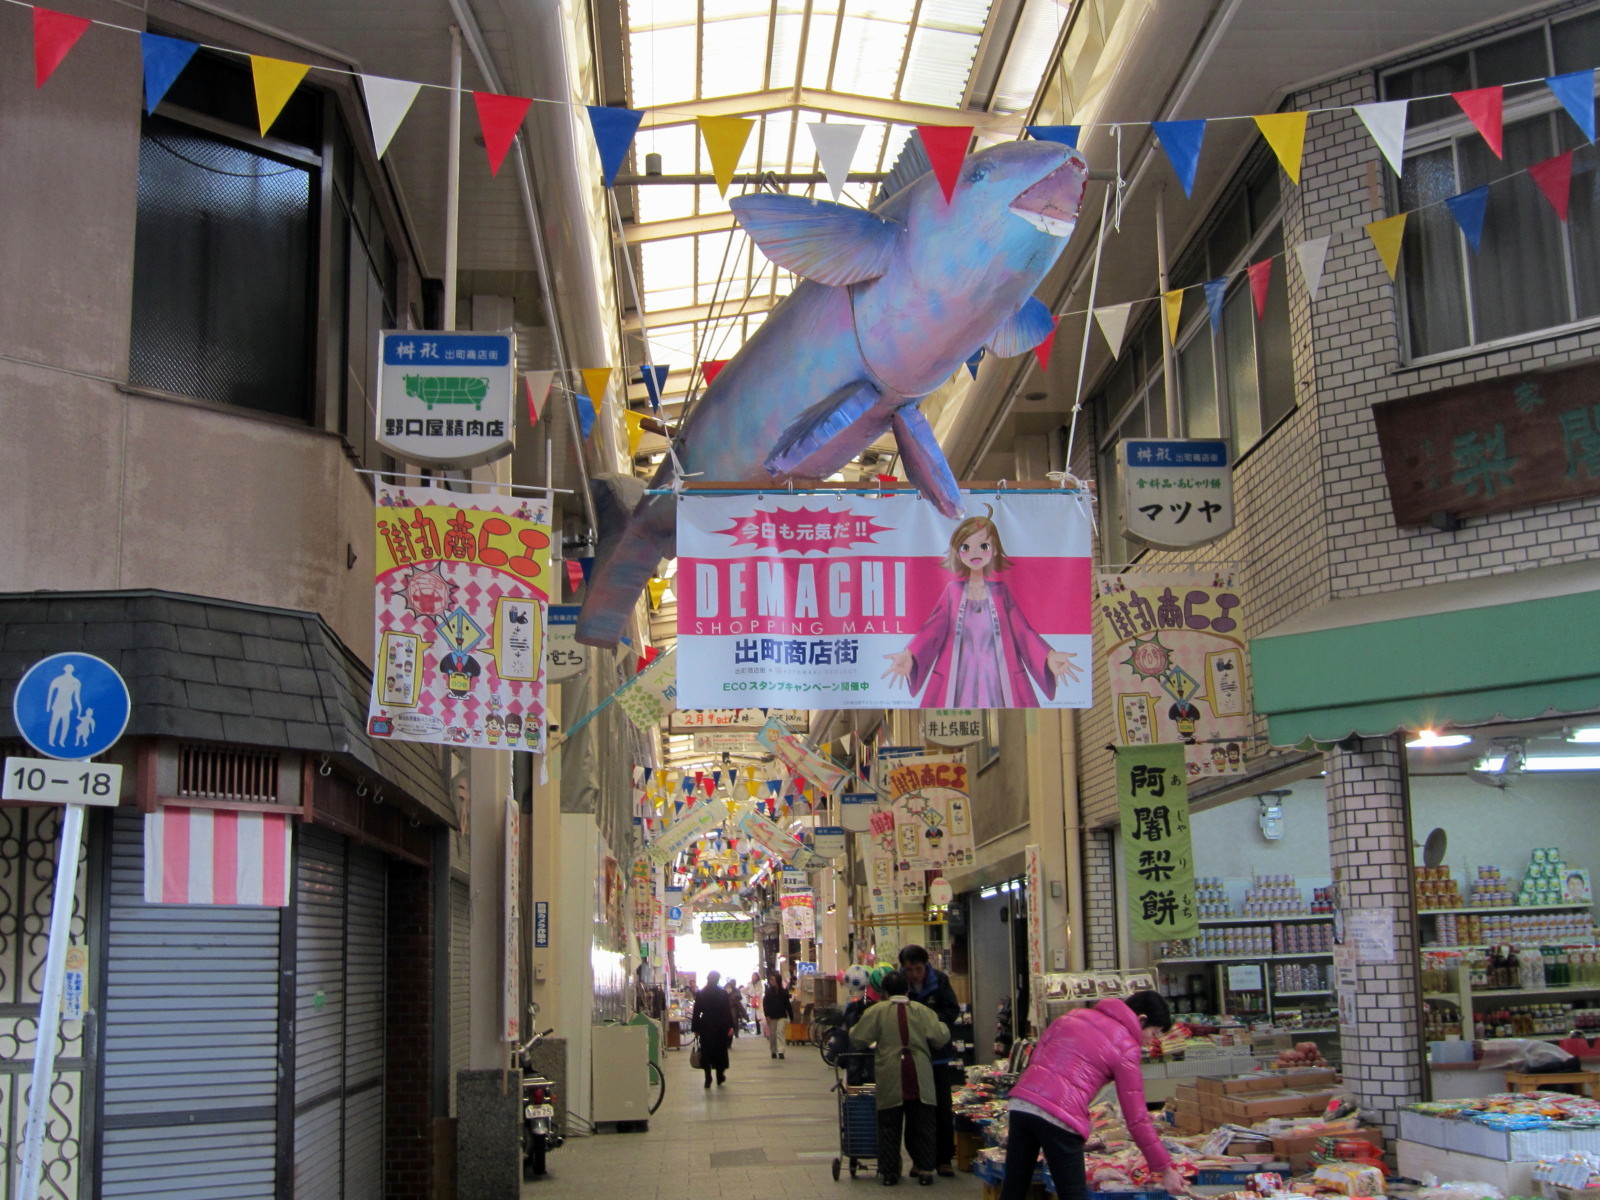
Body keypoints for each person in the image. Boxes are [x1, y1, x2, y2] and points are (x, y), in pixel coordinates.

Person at [999, 990, 1189, 1200]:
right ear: (1141, 1019)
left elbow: (1038, 1056)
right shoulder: (1127, 1046)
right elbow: (1137, 1118)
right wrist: (1165, 1170)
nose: (1150, 1041)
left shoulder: (1072, 1015)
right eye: (1153, 1033)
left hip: (1022, 1103)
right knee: (1073, 1195)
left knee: (1014, 1188)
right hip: (1060, 1115)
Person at [881, 507, 1080, 707]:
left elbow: (1023, 633)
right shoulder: (953, 591)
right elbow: (932, 630)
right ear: (958, 552)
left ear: (994, 550)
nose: (974, 553)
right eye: (966, 547)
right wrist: (910, 653)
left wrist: (1048, 656)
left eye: (983, 546)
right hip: (958, 680)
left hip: (999, 679)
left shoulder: (1001, 593)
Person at [850, 970, 949, 1187]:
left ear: (885, 992)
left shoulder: (876, 1012)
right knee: (922, 1125)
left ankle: (890, 1172)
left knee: (888, 1125)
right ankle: (925, 1170)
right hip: (919, 1073)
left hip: (890, 1073)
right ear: (907, 990)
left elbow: (858, 1038)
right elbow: (940, 1037)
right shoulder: (922, 1011)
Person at [899, 944, 962, 1177]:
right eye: (909, 970)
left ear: (926, 965)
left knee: (942, 1108)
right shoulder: (900, 985)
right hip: (911, 1058)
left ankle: (944, 1159)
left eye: (918, 969)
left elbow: (952, 1010)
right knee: (914, 1109)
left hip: (937, 1056)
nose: (914, 974)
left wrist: (932, 1026)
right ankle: (918, 1159)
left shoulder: (940, 981)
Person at [691, 970, 735, 1089]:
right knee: (720, 1051)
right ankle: (720, 1076)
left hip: (706, 1026)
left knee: (706, 1051)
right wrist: (730, 1026)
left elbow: (696, 1012)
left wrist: (695, 1028)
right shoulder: (722, 993)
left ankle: (708, 1077)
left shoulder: (701, 993)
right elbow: (727, 1011)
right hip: (720, 1025)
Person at [763, 972, 793, 1059]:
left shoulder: (783, 992)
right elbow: (765, 1004)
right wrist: (767, 1015)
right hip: (772, 1016)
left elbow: (787, 1005)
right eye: (770, 980)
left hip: (782, 1015)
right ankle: (773, 1051)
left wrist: (791, 1016)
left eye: (773, 980)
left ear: (778, 980)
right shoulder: (768, 992)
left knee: (780, 1032)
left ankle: (781, 1051)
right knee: (773, 1035)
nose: (771, 981)